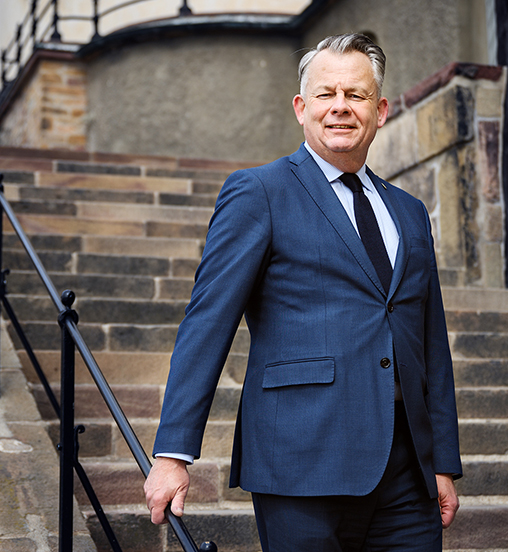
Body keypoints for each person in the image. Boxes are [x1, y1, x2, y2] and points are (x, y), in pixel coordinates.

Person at [144, 33, 462, 551]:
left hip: (408, 475)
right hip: (300, 462)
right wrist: (173, 454)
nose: (340, 106)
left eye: (356, 95)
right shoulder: (260, 192)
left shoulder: (409, 212)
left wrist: (442, 462)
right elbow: (208, 321)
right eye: (325, 94)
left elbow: (431, 341)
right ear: (301, 108)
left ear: (380, 111)